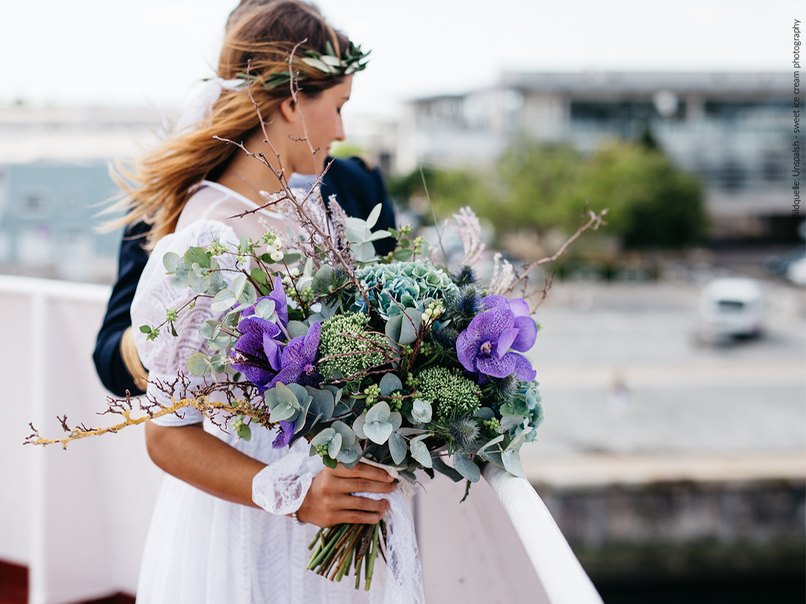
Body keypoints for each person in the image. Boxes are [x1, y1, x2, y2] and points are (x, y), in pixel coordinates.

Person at [118, 2, 410, 601]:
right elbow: (167, 435)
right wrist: (296, 494)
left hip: (328, 525)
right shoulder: (208, 242)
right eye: (339, 106)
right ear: (290, 104)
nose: (343, 132)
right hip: (246, 534)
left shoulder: (315, 218)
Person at [93, 0, 396, 399]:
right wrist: (187, 321)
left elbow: (390, 306)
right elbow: (114, 359)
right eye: (337, 107)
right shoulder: (174, 203)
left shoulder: (358, 184)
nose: (341, 129)